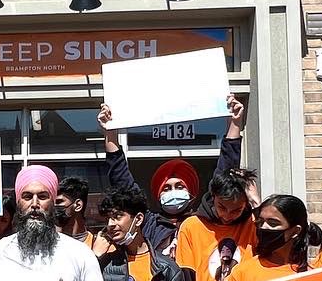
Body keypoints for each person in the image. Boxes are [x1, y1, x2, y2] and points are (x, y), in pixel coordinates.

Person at [100, 94, 245, 258]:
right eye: (167, 188)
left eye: (180, 186)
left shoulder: (204, 219)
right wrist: (110, 133)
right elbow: (122, 183)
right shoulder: (149, 224)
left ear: (191, 192)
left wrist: (234, 124)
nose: (173, 191)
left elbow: (225, 177)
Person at [56, 177, 96, 248]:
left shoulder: (97, 245)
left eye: (59, 202)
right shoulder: (47, 244)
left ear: (78, 205)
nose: (54, 206)